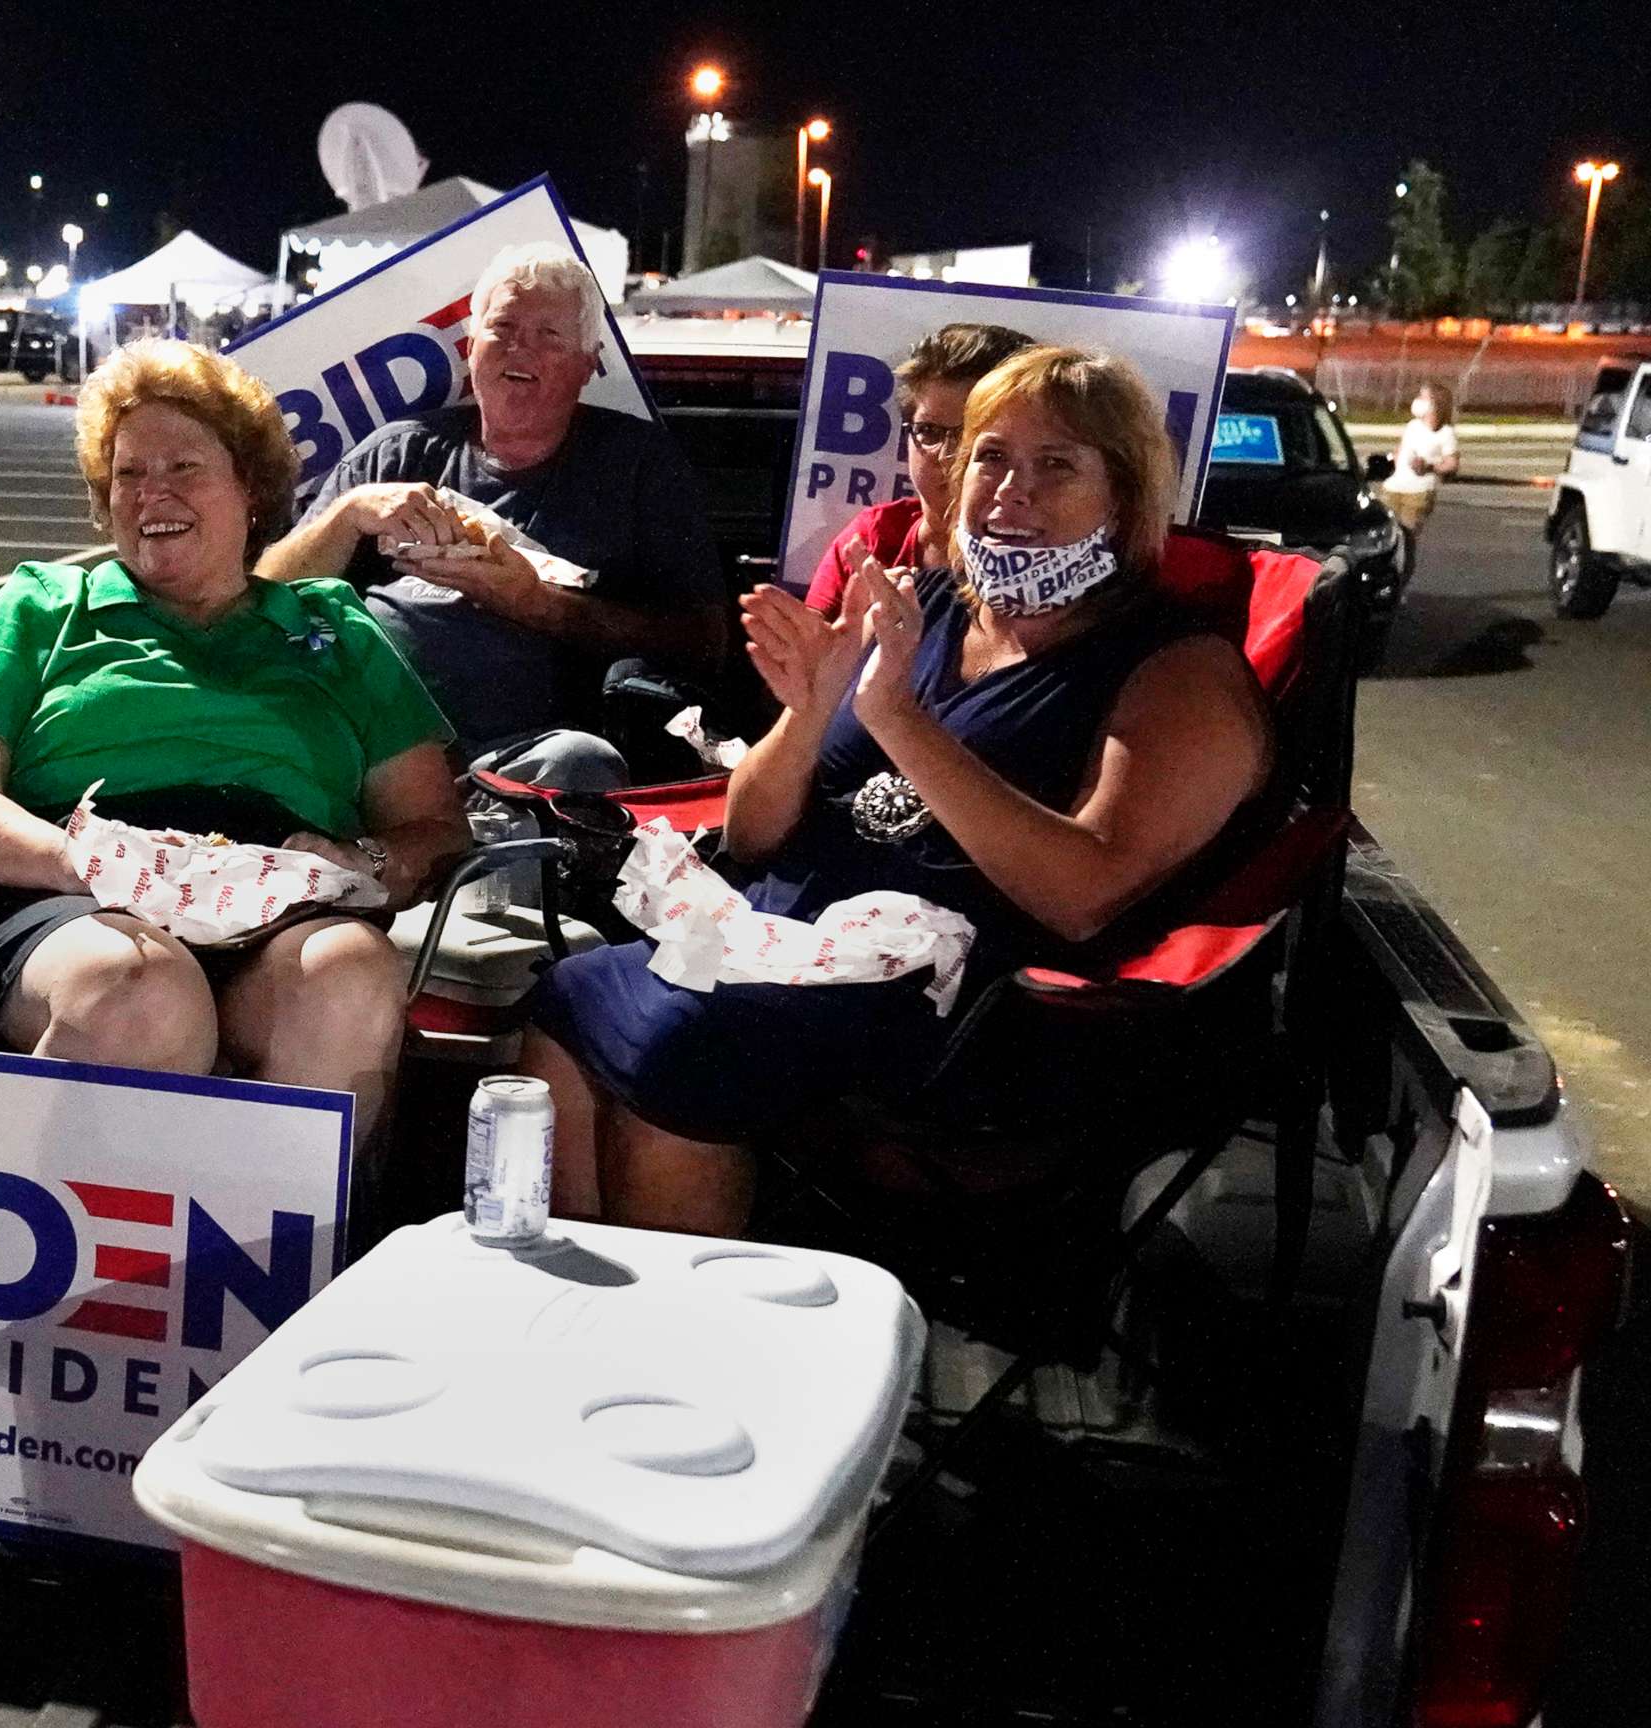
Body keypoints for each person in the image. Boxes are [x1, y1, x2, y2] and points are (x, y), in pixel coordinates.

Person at [521, 346, 1273, 1236]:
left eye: (1057, 464)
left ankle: (671, 1346)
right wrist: (806, 715)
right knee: (566, 995)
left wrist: (896, 719)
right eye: (990, 454)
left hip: (959, 1010)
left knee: (685, 1051)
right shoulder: (932, 605)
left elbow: (1087, 894)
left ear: (1126, 494)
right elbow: (753, 838)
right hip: (776, 947)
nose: (1009, 489)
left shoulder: (1178, 672)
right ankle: (570, 1320)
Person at [0, 340, 468, 1144]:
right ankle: (58, 1259)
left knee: (349, 976)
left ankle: (278, 1262)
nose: (149, 494)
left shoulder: (334, 629)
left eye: (183, 468)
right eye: (128, 473)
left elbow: (437, 828)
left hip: (272, 903)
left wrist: (370, 866)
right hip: (63, 897)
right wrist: (83, 859)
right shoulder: (41, 605)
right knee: (139, 988)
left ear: (251, 487)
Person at [261, 242, 727, 788]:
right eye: (502, 327)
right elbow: (262, 598)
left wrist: (533, 603)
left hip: (522, 760)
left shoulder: (638, 467)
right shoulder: (399, 451)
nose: (518, 350)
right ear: (470, 348)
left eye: (548, 335)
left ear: (586, 364)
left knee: (582, 765)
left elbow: (703, 643)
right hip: (362, 742)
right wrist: (347, 515)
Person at [805, 322, 1033, 617]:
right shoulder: (874, 540)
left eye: (974, 435)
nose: (949, 456)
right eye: (929, 431)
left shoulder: (1045, 561)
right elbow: (813, 650)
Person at [1380, 381, 1459, 580]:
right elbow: (1400, 450)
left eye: (1423, 398)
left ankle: (1400, 582)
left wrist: (1429, 466)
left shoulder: (1445, 433)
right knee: (1383, 538)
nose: (1418, 401)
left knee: (1405, 541)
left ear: (1435, 404)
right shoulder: (1413, 426)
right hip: (1393, 487)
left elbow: (1452, 464)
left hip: (1418, 493)